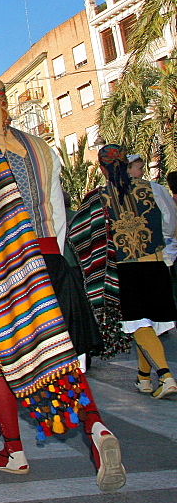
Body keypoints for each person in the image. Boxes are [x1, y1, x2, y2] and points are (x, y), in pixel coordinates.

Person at [0, 75, 124, 492]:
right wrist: (54, 260)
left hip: (0, 267)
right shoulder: (41, 148)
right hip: (51, 260)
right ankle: (97, 431)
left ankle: (14, 451)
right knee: (59, 356)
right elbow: (57, 212)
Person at [70, 145, 177, 399]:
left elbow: (77, 231)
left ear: (102, 168)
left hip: (123, 268)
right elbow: (170, 224)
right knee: (148, 322)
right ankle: (143, 378)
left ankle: (165, 375)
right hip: (155, 261)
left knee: (137, 322)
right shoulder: (154, 189)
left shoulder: (97, 197)